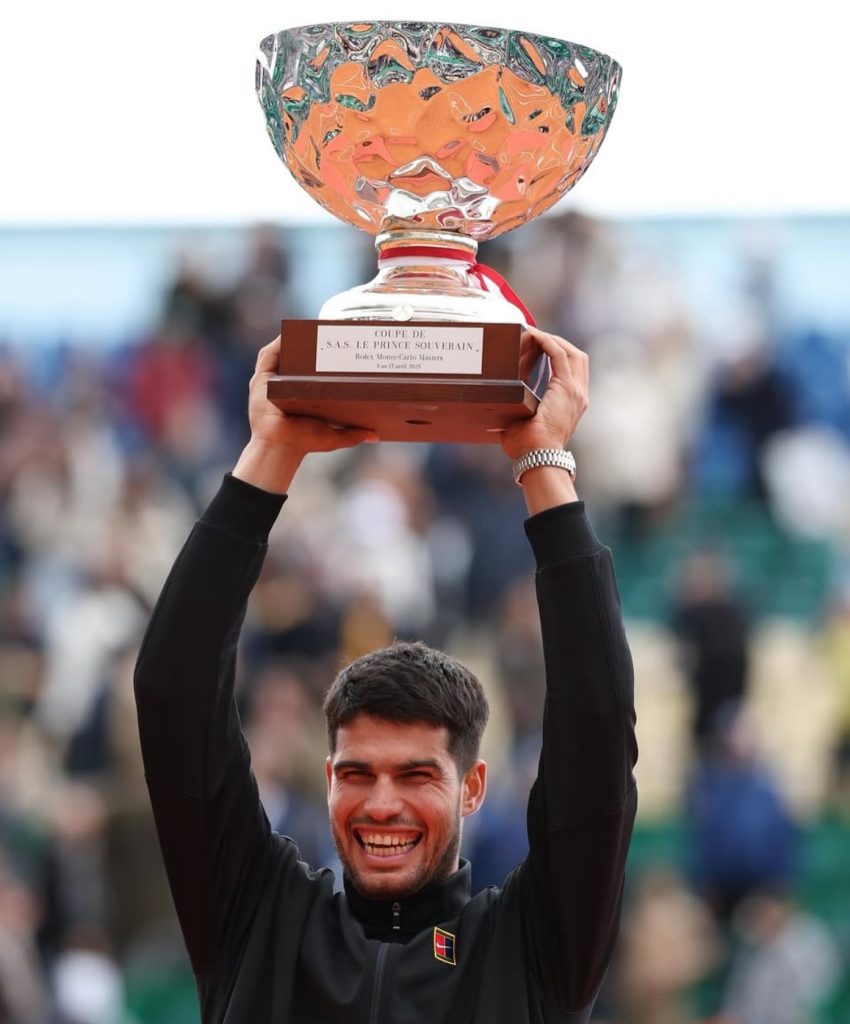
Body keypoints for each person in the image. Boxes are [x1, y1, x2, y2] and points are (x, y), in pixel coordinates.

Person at [134, 328, 638, 1023]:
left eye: (416, 774)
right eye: (357, 773)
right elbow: (172, 690)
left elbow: (598, 726)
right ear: (328, 779)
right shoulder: (256, 915)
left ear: (472, 788)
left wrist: (543, 464)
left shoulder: (532, 944)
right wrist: (270, 455)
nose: (380, 804)